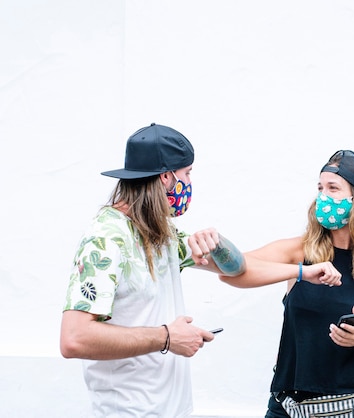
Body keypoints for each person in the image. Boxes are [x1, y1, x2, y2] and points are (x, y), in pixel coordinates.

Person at [59, 123, 247, 417]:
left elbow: (236, 268)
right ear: (166, 177)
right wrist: (167, 338)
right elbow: (74, 338)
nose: (190, 182)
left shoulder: (163, 235)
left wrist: (216, 241)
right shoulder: (106, 239)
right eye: (188, 173)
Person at [211, 150, 354, 418]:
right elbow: (233, 271)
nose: (323, 197)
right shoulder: (298, 251)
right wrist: (301, 272)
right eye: (320, 188)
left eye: (333, 188)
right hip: (292, 403)